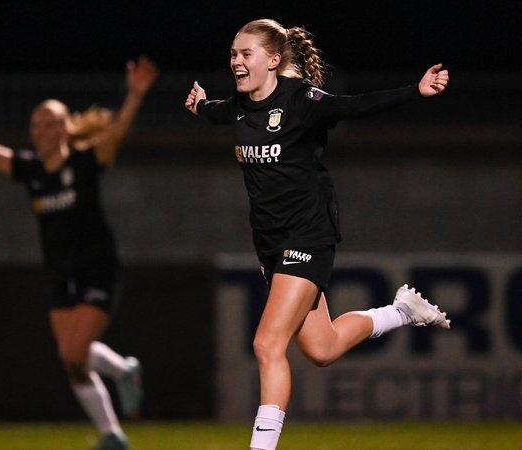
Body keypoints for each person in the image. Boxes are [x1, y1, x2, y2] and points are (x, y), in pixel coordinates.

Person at [185, 19, 450, 450]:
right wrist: (198, 105)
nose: (236, 60)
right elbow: (214, 112)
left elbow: (355, 104)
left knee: (267, 344)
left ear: (273, 60)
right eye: (233, 53)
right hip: (270, 242)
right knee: (322, 349)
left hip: (308, 233)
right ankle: (401, 312)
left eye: (245, 53)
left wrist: (413, 91)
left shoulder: (302, 100)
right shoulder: (235, 106)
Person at [0, 56, 159, 450]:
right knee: (72, 361)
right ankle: (113, 428)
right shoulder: (31, 170)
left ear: (67, 128)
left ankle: (120, 384)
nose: (43, 128)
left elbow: (116, 134)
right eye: (37, 123)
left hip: (97, 269)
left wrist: (135, 95)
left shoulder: (86, 162)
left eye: (52, 121)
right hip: (60, 272)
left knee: (73, 351)